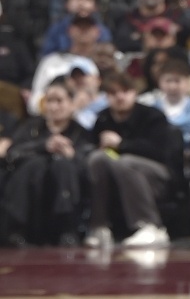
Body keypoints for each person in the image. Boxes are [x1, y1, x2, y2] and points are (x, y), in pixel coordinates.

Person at [85, 72, 180, 249]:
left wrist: (121, 144)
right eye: (113, 93)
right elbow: (89, 145)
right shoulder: (103, 118)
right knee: (98, 158)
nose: (119, 97)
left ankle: (150, 226)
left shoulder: (152, 116)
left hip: (157, 173)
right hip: (119, 172)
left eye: (125, 91)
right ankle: (99, 226)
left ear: (134, 93)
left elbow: (159, 151)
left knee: (125, 162)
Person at [2, 79, 93, 246]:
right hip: (30, 192)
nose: (53, 107)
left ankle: (67, 231)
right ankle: (17, 231)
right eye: (50, 101)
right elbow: (12, 153)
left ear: (72, 103)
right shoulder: (31, 127)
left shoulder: (81, 133)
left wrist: (72, 155)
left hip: (64, 194)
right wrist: (43, 146)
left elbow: (88, 165)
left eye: (59, 101)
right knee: (35, 164)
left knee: (63, 165)